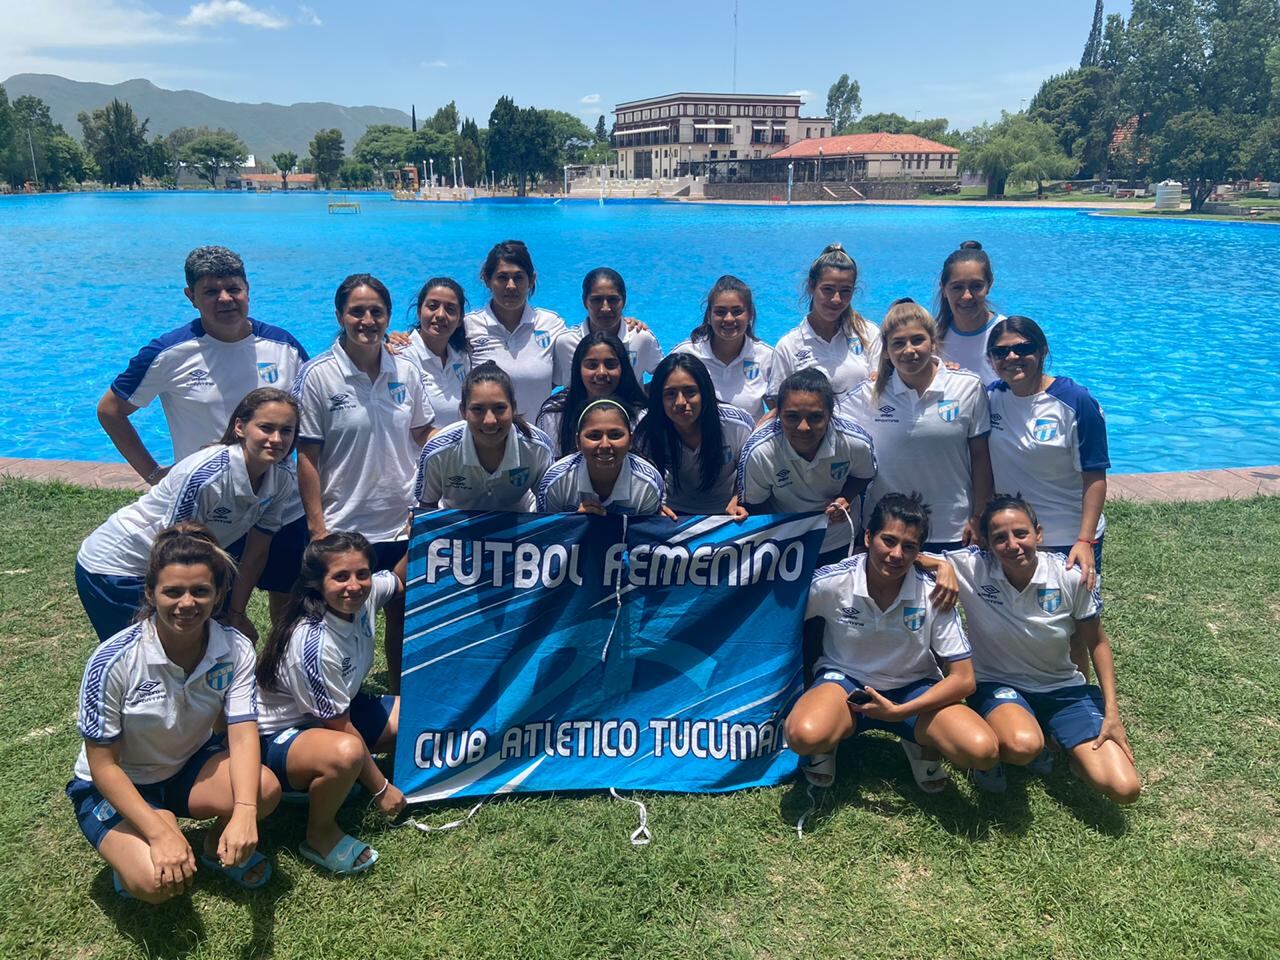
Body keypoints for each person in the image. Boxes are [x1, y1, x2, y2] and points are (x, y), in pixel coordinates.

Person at [68, 525, 280, 901]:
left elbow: (242, 732)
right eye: (173, 592)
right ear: (151, 593)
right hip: (117, 782)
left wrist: (245, 812)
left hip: (185, 767)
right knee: (156, 883)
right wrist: (159, 830)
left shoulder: (235, 647)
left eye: (200, 591)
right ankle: (147, 837)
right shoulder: (114, 661)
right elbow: (103, 765)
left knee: (263, 789)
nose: (187, 603)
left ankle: (216, 847)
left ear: (217, 596)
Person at [97, 245, 310, 616]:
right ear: (191, 296)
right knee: (209, 609)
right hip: (209, 508)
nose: (225, 299)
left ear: (247, 289)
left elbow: (321, 399)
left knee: (289, 599)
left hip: (279, 502)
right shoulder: (169, 352)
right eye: (211, 291)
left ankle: (281, 669)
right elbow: (111, 411)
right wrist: (153, 474)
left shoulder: (283, 346)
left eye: (234, 288)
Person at [928, 495, 1140, 803]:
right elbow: (908, 555)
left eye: (1021, 534)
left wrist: (1112, 713)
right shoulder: (972, 567)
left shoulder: (1068, 575)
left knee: (1124, 789)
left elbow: (1098, 643)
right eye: (1000, 537)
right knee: (1023, 745)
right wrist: (940, 566)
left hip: (1062, 689)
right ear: (987, 542)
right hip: (997, 684)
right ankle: (1009, 741)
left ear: (1038, 534)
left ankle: (1058, 738)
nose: (1012, 545)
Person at [784, 493, 1000, 791]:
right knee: (803, 735)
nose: (897, 554)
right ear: (869, 537)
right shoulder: (831, 582)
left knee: (982, 751)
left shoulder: (934, 592)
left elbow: (964, 680)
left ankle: (914, 738)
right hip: (845, 683)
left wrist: (900, 712)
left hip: (913, 689)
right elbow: (777, 620)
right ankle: (828, 741)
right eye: (889, 541)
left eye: (909, 547)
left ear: (919, 552)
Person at [293, 274, 432, 693]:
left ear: (389, 317)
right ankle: (329, 696)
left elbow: (424, 437)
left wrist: (427, 505)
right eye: (357, 311)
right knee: (339, 618)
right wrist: (318, 529)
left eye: (376, 312)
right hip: (344, 525)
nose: (367, 320)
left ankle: (398, 694)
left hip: (401, 521)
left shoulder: (406, 370)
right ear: (340, 316)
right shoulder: (318, 375)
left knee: (403, 616)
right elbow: (307, 457)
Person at [76, 388, 299, 643]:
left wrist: (236, 613)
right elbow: (173, 551)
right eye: (266, 428)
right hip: (117, 567)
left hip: (174, 561)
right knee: (146, 655)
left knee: (206, 647)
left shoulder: (281, 479)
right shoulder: (205, 477)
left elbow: (256, 554)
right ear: (240, 427)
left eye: (286, 430)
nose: (276, 439)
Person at [255, 533, 408, 874]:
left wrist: (433, 528)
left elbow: (398, 579)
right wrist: (381, 788)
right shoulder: (313, 641)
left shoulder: (363, 599)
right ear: (316, 583)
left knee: (415, 717)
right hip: (276, 739)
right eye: (340, 576)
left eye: (362, 574)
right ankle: (319, 834)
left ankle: (332, 780)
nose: (354, 585)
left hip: (333, 717)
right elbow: (338, 726)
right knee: (346, 754)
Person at [838, 299, 993, 550]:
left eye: (917, 340)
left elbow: (981, 458)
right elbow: (820, 426)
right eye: (898, 343)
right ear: (886, 350)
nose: (909, 350)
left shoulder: (968, 387)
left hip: (953, 529)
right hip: (888, 533)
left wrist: (979, 518)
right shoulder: (866, 395)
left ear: (933, 342)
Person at [985, 316, 1108, 588]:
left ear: (1043, 351)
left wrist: (1085, 540)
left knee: (1081, 625)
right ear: (990, 359)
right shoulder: (991, 398)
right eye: (1000, 352)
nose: (1012, 357)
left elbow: (1095, 475)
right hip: (1013, 538)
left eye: (1023, 348)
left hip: (1068, 537)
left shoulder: (1076, 402)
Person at [736, 368, 877, 560]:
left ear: (830, 413)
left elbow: (864, 474)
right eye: (792, 417)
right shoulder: (760, 451)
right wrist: (789, 528)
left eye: (815, 417)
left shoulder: (855, 442)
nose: (803, 428)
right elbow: (754, 505)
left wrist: (846, 496)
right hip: (785, 543)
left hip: (839, 539)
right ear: (777, 414)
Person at [415, 362, 555, 511]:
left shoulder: (538, 448)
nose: (490, 420)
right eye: (478, 409)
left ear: (513, 408)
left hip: (519, 526)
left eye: (499, 408)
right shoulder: (437, 452)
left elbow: (548, 507)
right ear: (463, 411)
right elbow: (426, 510)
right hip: (456, 529)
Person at [632, 353, 755, 516]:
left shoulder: (737, 425)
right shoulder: (645, 429)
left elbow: (753, 473)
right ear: (658, 399)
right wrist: (655, 507)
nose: (680, 402)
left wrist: (738, 497)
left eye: (690, 392)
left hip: (728, 512)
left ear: (705, 392)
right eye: (670, 394)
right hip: (670, 514)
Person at [464, 240, 567, 417]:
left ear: (531, 280)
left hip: (538, 440)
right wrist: (400, 338)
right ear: (487, 280)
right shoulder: (467, 327)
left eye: (518, 278)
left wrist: (626, 325)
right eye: (502, 278)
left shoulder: (551, 325)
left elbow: (588, 352)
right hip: (485, 439)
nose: (511, 286)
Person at [768, 244, 879, 401]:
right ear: (811, 287)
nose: (836, 299)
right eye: (828, 289)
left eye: (845, 291)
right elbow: (777, 402)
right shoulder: (788, 346)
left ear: (854, 291)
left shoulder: (869, 333)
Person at [536, 399, 666, 516]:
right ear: (578, 442)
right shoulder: (555, 482)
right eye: (594, 436)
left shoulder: (648, 484)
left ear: (631, 440)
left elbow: (645, 537)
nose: (605, 445)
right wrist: (573, 524)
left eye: (615, 435)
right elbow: (544, 536)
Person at [670, 275, 775, 420]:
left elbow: (779, 409)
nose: (729, 319)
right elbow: (661, 396)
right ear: (709, 315)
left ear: (750, 314)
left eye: (737, 311)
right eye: (720, 312)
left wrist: (758, 431)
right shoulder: (686, 354)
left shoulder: (766, 357)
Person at [537, 331, 647, 458]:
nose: (601, 372)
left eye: (610, 364)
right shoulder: (554, 414)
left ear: (623, 368)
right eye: (592, 365)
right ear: (578, 369)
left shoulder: (641, 416)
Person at [554, 267, 663, 385]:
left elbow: (666, 378)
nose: (605, 308)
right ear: (585, 302)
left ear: (624, 301)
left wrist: (642, 399)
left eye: (613, 300)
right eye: (597, 300)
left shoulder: (642, 339)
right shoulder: (565, 343)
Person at [397, 277, 470, 430]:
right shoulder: (400, 358)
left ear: (459, 320)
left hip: (459, 452)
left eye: (450, 309)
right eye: (432, 306)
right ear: (419, 311)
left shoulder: (462, 357)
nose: (441, 315)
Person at [934, 241, 1004, 382]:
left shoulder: (1008, 334)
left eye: (976, 286)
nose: (967, 296)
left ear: (989, 285)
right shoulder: (932, 337)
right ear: (944, 289)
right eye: (957, 287)